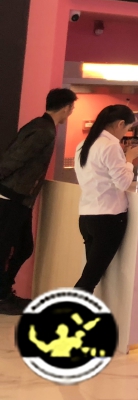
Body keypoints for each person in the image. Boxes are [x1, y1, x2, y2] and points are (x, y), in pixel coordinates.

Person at [0, 88, 77, 313]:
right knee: (8, 247)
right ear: (66, 108)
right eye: (71, 108)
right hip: (12, 196)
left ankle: (4, 291)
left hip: (18, 198)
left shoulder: (40, 126)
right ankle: (2, 296)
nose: (70, 113)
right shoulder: (44, 131)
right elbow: (14, 159)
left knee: (22, 247)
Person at [73, 104, 138, 293]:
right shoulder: (110, 146)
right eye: (128, 128)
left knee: (90, 276)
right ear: (120, 124)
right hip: (109, 219)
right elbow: (123, 183)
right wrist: (129, 160)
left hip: (86, 217)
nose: (126, 133)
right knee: (88, 281)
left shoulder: (84, 144)